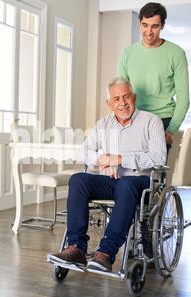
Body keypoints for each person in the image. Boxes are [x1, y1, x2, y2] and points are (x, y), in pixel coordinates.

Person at [47, 77, 166, 272]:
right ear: (109, 103)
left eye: (126, 97)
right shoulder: (103, 124)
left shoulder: (151, 121)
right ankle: (76, 247)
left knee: (126, 183)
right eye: (117, 99)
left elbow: (159, 157)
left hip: (140, 182)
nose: (122, 103)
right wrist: (102, 158)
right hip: (111, 181)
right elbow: (82, 152)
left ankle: (106, 253)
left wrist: (119, 159)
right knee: (78, 179)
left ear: (134, 98)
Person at [117, 2, 189, 150]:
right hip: (134, 119)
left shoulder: (176, 54)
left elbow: (184, 98)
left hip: (162, 120)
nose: (149, 32)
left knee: (153, 171)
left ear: (162, 26)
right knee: (124, 167)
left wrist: (170, 130)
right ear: (140, 23)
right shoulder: (127, 54)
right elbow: (120, 94)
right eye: (145, 25)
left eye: (154, 26)